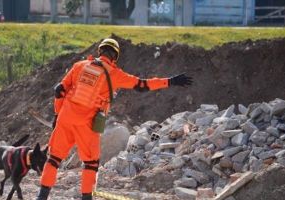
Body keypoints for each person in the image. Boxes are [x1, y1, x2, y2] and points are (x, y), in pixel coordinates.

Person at [37, 38, 193, 200]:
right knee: (90, 164)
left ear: (100, 51)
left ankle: (41, 196)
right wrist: (170, 81)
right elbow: (142, 85)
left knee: (54, 159)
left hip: (66, 117)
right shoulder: (114, 74)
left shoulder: (79, 66)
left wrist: (57, 115)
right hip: (88, 123)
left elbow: (59, 91)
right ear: (115, 57)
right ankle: (86, 198)